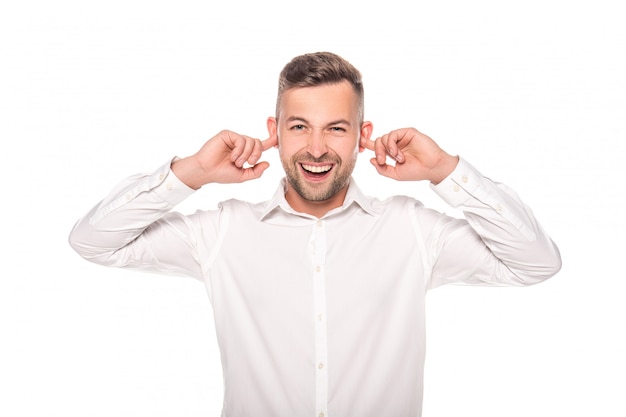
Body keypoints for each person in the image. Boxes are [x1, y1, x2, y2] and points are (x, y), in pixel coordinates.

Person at [69, 51, 561, 417]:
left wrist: (444, 170)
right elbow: (92, 240)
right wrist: (192, 172)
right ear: (275, 129)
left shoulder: (412, 228)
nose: (317, 148)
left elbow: (536, 262)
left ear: (361, 135)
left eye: (337, 129)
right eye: (299, 126)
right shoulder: (224, 230)